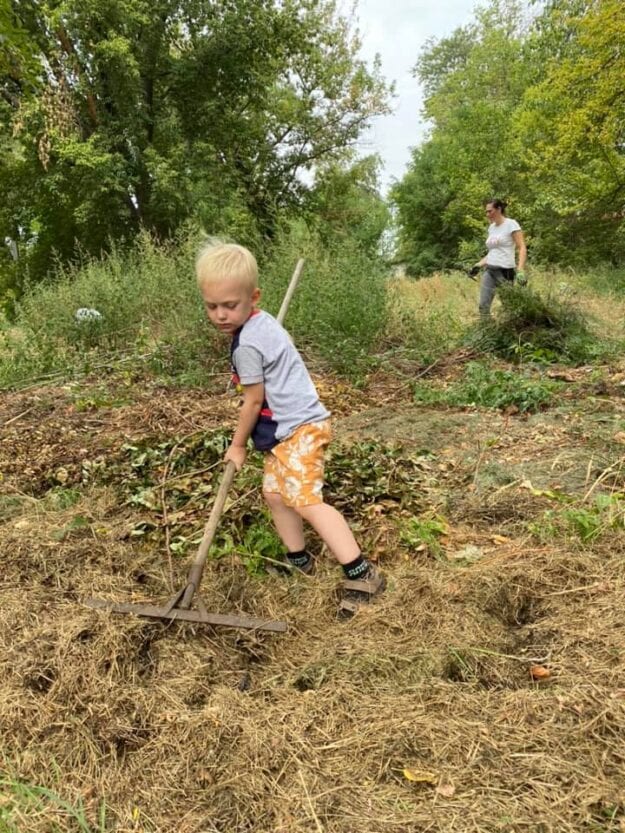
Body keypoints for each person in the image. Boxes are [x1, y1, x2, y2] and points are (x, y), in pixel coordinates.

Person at [195, 242, 385, 617]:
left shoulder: (248, 343)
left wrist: (237, 446)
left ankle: (363, 574)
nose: (220, 314)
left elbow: (252, 401)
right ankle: (300, 562)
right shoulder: (261, 323)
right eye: (211, 306)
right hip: (285, 430)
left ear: (254, 297)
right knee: (276, 495)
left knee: (304, 500)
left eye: (230, 306)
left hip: (299, 429)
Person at [472, 199, 527, 318]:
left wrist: (520, 270)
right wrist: (478, 265)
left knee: (509, 306)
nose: (487, 214)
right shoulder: (491, 228)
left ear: (499, 209)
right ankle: (486, 332)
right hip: (490, 271)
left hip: (504, 272)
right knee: (483, 306)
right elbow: (492, 252)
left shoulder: (511, 224)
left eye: (490, 211)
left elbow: (522, 247)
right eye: (486, 212)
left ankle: (516, 331)